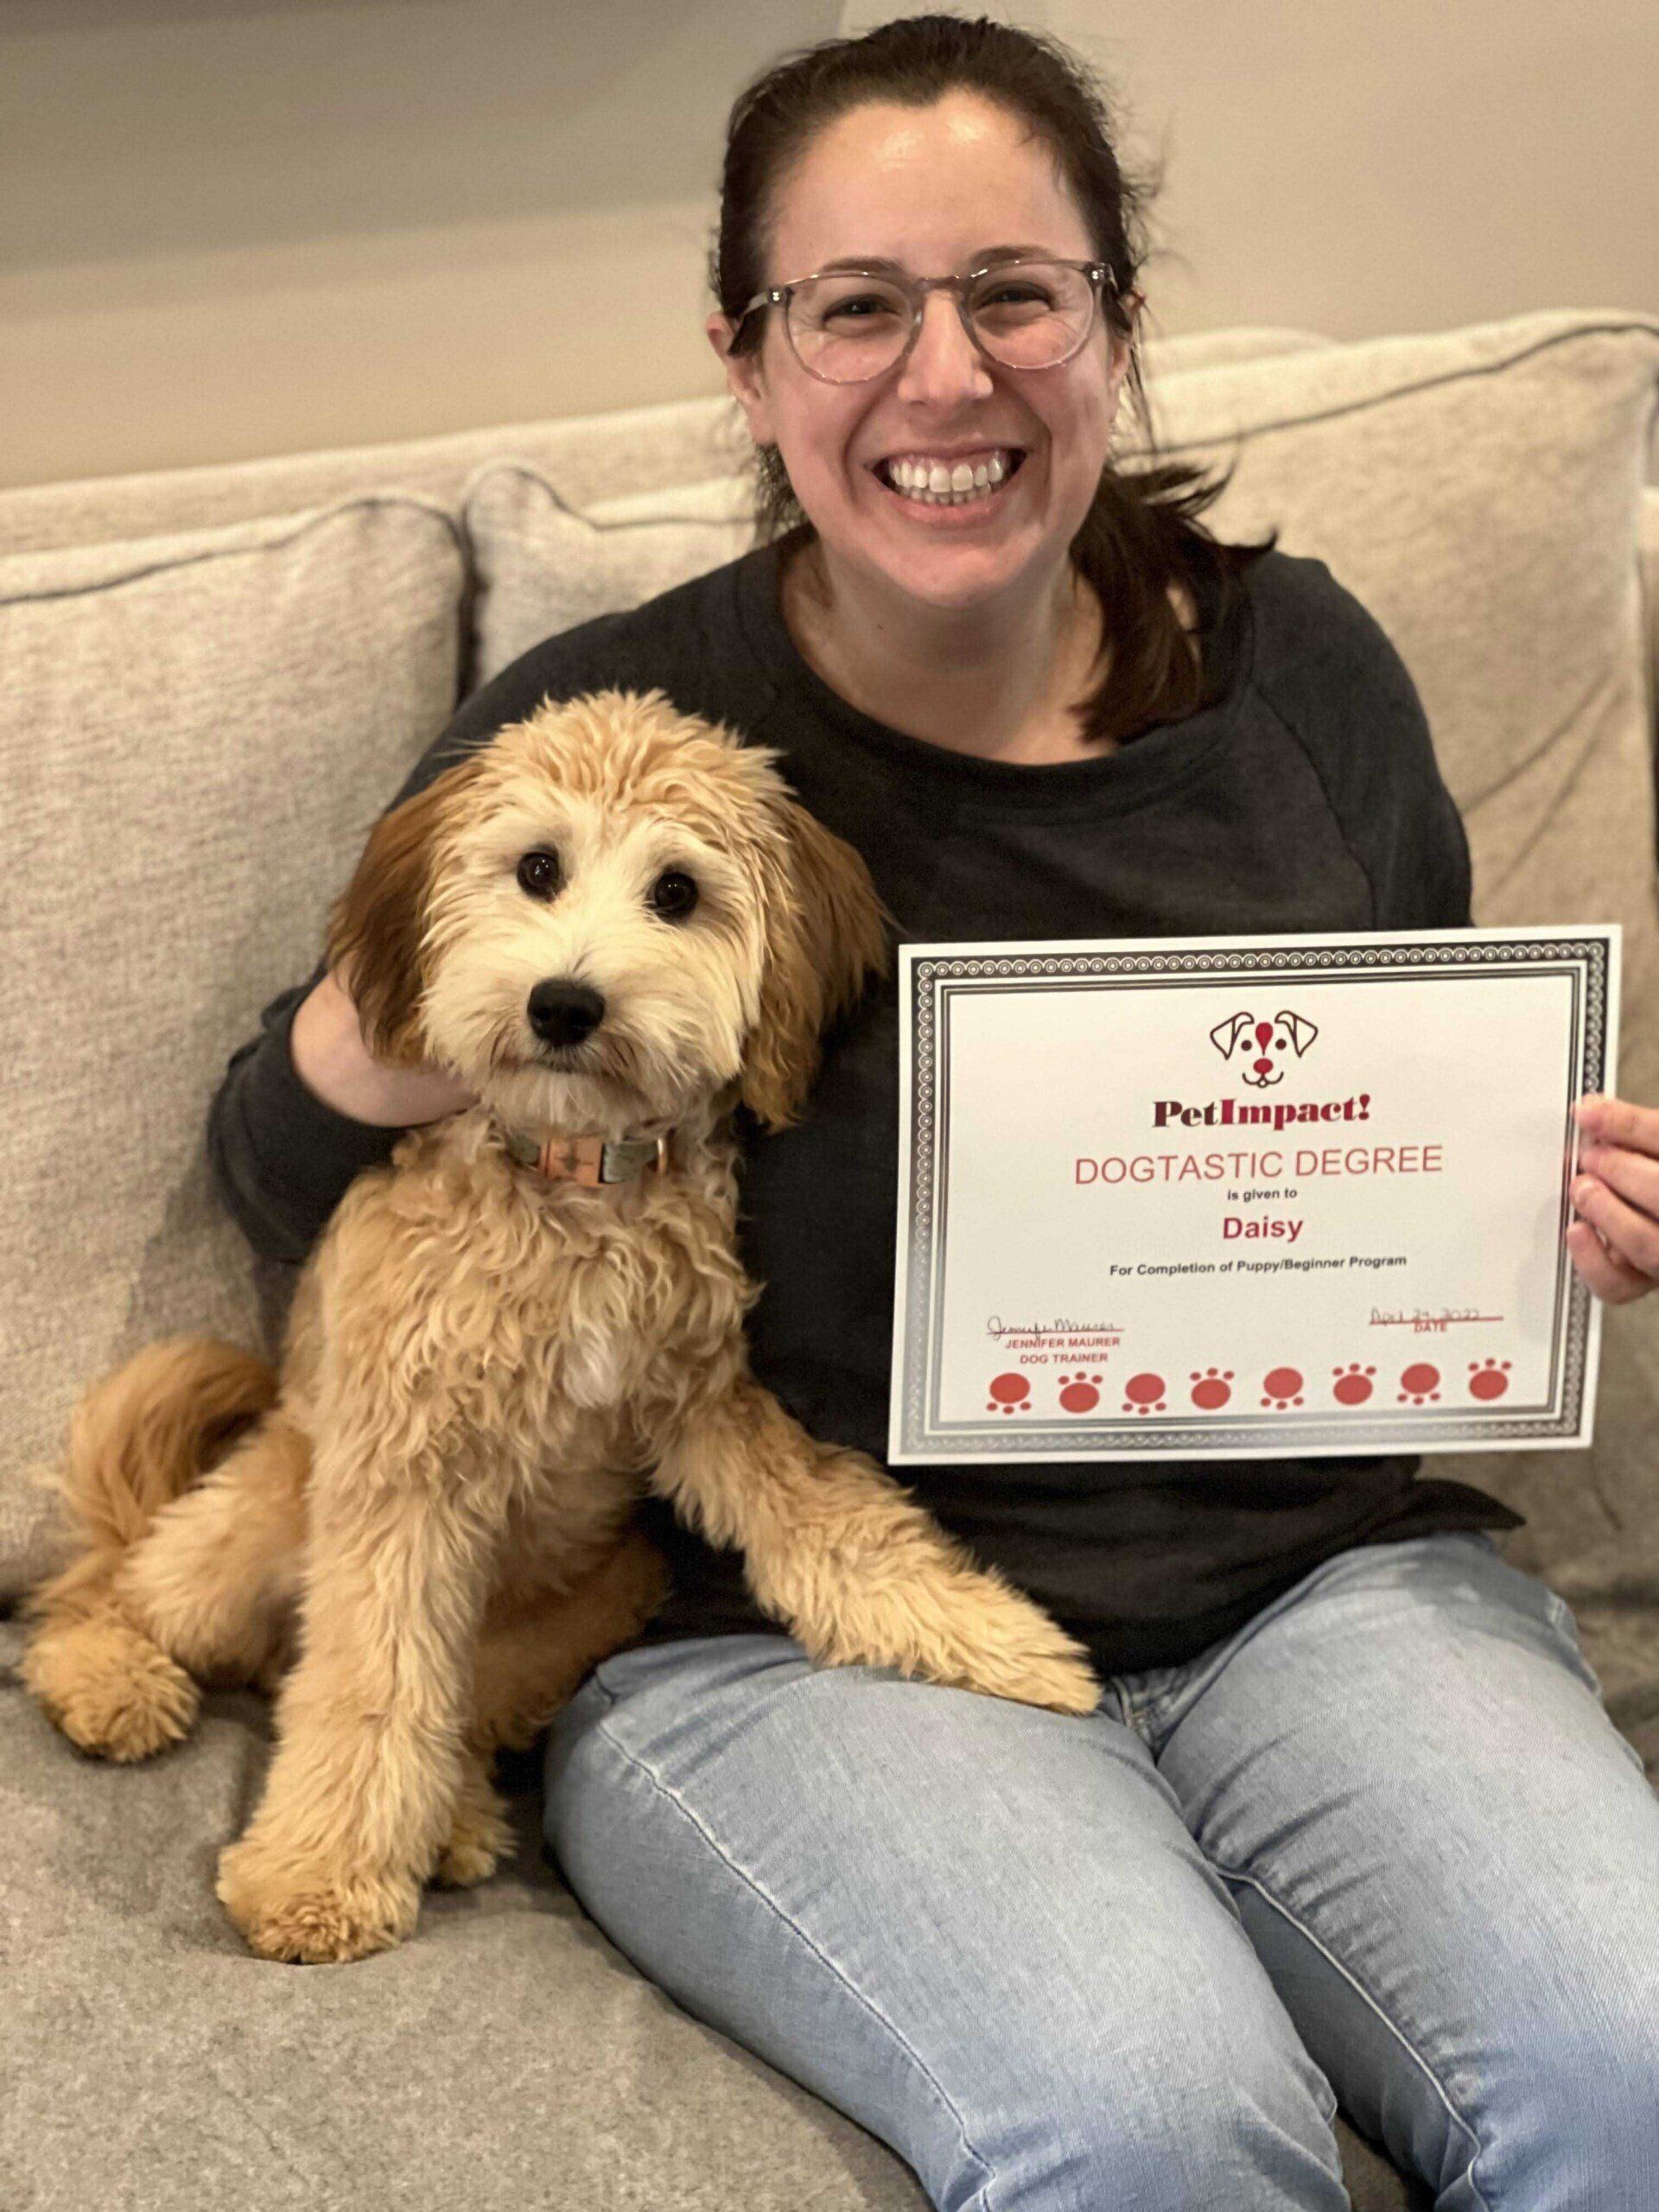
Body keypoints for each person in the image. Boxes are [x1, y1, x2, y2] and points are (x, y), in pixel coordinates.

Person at [208, 16, 1659, 2208]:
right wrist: (401, 1014)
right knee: (1151, 2126)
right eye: (857, 307)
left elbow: (1431, 1077)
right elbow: (280, 1154)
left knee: (1631, 2065)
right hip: (781, 1639)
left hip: (1321, 1591)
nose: (947, 376)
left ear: (1113, 321)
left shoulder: (1307, 674)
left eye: (1016, 292)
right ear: (750, 352)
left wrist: (1549, 1187)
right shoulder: (612, 741)